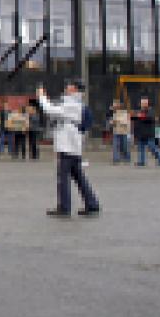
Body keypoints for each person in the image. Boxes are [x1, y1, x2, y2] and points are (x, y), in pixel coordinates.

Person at [38, 79, 100, 218]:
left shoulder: (72, 104)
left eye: (70, 86)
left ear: (75, 89)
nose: (66, 87)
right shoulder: (74, 103)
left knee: (63, 177)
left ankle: (64, 207)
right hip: (72, 146)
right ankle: (92, 204)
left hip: (68, 145)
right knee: (78, 177)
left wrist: (42, 96)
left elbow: (50, 110)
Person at [132, 96, 160, 167]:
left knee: (152, 148)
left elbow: (151, 118)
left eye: (144, 103)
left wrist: (141, 116)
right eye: (142, 103)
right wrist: (135, 133)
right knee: (141, 149)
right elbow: (136, 122)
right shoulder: (139, 112)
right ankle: (141, 161)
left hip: (149, 134)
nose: (143, 104)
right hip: (141, 134)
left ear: (147, 104)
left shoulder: (151, 111)